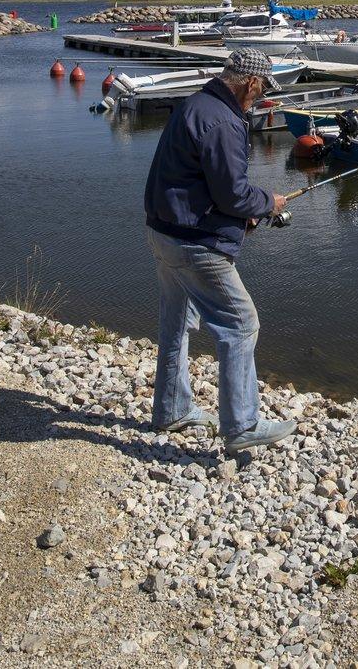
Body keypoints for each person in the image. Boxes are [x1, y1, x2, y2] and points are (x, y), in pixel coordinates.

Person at [143, 49, 295, 454]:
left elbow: (196, 182)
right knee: (241, 323)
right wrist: (268, 202)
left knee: (176, 322)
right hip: (193, 243)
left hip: (162, 232)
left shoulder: (195, 103)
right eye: (262, 90)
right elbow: (233, 193)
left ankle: (172, 410)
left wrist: (243, 215)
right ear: (250, 82)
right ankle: (242, 425)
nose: (261, 98)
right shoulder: (224, 121)